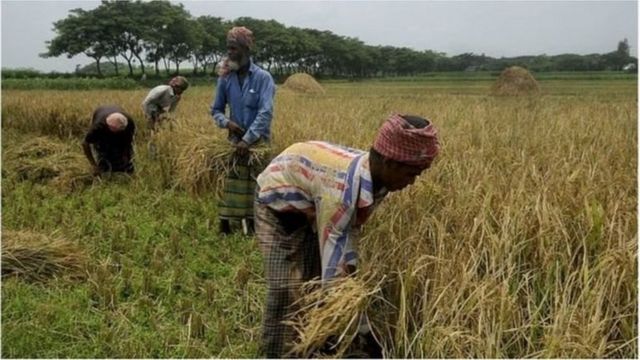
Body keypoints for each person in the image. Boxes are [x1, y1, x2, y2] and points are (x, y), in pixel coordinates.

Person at [254, 114, 440, 358]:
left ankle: (309, 347)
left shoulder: (378, 180)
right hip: (277, 204)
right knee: (285, 290)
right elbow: (335, 277)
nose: (413, 182)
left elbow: (346, 240)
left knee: (313, 285)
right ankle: (276, 355)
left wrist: (348, 295)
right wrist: (363, 330)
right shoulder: (339, 193)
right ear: (388, 161)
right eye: (411, 174)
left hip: (313, 206)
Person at [211, 26, 276, 235]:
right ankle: (226, 224)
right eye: (228, 48)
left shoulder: (263, 78)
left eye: (234, 48)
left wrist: (247, 139)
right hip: (233, 140)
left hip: (257, 142)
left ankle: (256, 224)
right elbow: (216, 110)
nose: (229, 53)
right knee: (231, 182)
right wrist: (226, 123)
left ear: (246, 50)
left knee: (256, 184)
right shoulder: (225, 78)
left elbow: (265, 113)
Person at [82, 105, 136, 175]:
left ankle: (124, 168)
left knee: (123, 151)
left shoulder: (129, 122)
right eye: (116, 131)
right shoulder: (98, 127)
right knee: (103, 149)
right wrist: (93, 165)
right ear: (109, 126)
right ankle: (104, 167)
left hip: (122, 128)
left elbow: (128, 143)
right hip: (101, 119)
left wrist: (126, 158)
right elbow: (85, 143)